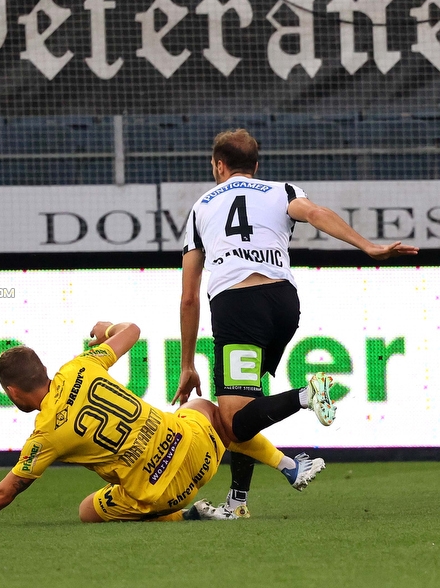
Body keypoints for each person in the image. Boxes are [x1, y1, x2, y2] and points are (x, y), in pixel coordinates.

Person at [173, 128, 418, 518]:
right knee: (249, 403)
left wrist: (187, 364)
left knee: (233, 422)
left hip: (238, 307)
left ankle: (308, 394)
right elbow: (317, 215)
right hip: (284, 304)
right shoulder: (281, 189)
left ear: (218, 165)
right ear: (255, 166)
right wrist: (368, 246)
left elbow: (189, 295)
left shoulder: (201, 207)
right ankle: (237, 502)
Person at [0, 321, 234, 527]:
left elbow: (6, 491)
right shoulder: (80, 365)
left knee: (88, 510)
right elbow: (133, 331)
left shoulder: (46, 434)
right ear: (44, 371)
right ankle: (259, 472)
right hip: (201, 454)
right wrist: (106, 328)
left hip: (170, 492)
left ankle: (186, 515)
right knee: (199, 405)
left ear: (12, 391)